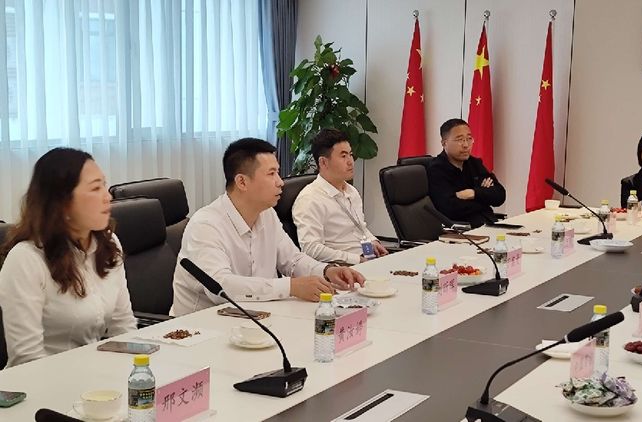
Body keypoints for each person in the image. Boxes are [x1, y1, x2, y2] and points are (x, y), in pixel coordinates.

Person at [171, 138, 365, 316]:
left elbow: (293, 260)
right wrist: (291, 287)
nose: (280, 182)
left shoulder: (267, 214)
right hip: (201, 328)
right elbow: (221, 287)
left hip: (258, 317)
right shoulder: (206, 225)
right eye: (271, 174)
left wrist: (327, 271)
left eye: (277, 173)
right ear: (242, 182)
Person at [0, 148, 137, 367]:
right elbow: (27, 358)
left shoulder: (109, 244)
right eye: (95, 188)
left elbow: (123, 326)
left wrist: (135, 370)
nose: (107, 197)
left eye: (104, 185)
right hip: (43, 380)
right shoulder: (26, 260)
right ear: (62, 202)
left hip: (97, 374)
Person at [293, 129, 388, 265]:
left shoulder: (352, 191)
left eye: (350, 154)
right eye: (343, 156)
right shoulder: (309, 199)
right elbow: (311, 249)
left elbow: (360, 227)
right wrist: (356, 259)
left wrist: (373, 240)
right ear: (323, 162)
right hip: (342, 267)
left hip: (367, 259)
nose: (350, 161)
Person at [427, 118, 506, 228]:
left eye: (469, 139)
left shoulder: (474, 163)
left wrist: (472, 193)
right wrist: (484, 197)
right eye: (460, 140)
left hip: (490, 224)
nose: (466, 145)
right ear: (444, 143)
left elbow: (500, 195)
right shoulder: (437, 169)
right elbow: (449, 208)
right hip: (464, 231)